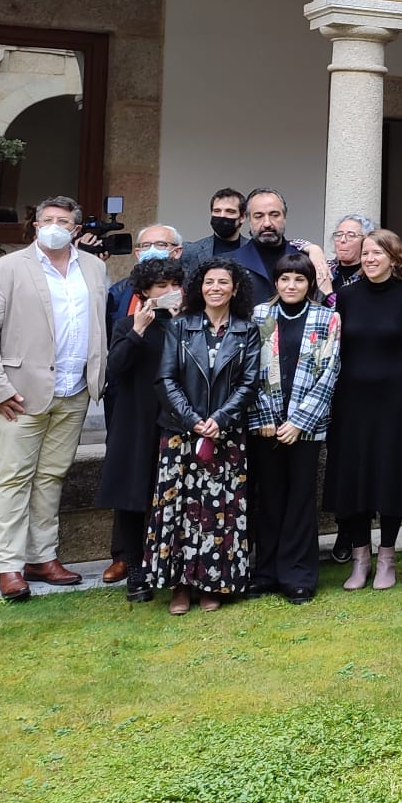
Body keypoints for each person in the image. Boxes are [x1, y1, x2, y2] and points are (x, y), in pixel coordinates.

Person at [0, 195, 111, 602]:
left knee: (51, 476)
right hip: (20, 394)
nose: (53, 226)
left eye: (62, 221)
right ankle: (10, 567)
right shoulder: (5, 269)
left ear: (76, 229)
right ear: (35, 226)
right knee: (14, 478)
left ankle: (43, 557)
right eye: (46, 219)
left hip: (74, 390)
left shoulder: (95, 268)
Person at [146, 259, 261, 614]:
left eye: (223, 282)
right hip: (181, 433)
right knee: (179, 509)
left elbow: (249, 383)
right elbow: (166, 379)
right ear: (200, 287)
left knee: (219, 510)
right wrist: (193, 420)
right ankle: (180, 586)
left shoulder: (246, 331)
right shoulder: (179, 326)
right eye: (209, 282)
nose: (215, 288)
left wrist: (220, 419)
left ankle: (213, 581)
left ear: (235, 289)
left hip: (226, 436)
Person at [324, 228, 402, 591]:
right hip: (350, 401)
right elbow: (337, 347)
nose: (369, 259)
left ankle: (386, 557)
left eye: (377, 253)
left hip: (393, 402)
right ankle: (360, 557)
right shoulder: (346, 297)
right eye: (365, 253)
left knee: (389, 476)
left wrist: (396, 384)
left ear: (394, 258)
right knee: (353, 477)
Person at [248, 248, 339, 604]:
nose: (291, 285)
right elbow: (248, 371)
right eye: (285, 278)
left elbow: (329, 372)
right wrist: (265, 417)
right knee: (269, 498)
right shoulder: (259, 315)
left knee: (300, 499)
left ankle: (298, 574)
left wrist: (299, 422)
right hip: (266, 425)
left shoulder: (326, 318)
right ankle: (266, 572)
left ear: (310, 283)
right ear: (275, 282)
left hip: (306, 426)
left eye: (299, 279)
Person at [95, 255, 184, 597]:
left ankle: (172, 564)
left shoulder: (186, 323)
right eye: (161, 286)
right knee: (132, 492)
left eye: (175, 285)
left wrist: (179, 324)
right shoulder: (127, 325)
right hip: (135, 417)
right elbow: (115, 367)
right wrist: (137, 330)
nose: (170, 291)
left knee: (172, 491)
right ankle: (134, 565)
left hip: (174, 418)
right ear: (145, 291)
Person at [227, 188, 330, 309]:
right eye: (258, 216)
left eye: (274, 215)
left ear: (284, 217)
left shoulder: (308, 260)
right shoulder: (229, 263)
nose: (267, 223)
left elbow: (322, 303)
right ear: (249, 220)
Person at [108, 224, 183, 335]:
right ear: (138, 253)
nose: (152, 250)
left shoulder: (194, 290)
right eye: (146, 245)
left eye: (161, 244)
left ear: (177, 252)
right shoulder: (119, 292)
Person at [181, 187, 246, 277]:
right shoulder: (191, 251)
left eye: (230, 211)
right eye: (217, 211)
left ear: (242, 217)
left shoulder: (255, 251)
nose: (222, 216)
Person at [329, 214, 373, 294]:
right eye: (339, 234)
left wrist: (327, 293)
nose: (342, 240)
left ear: (365, 241)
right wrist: (313, 249)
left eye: (351, 235)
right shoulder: (325, 269)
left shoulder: (371, 274)